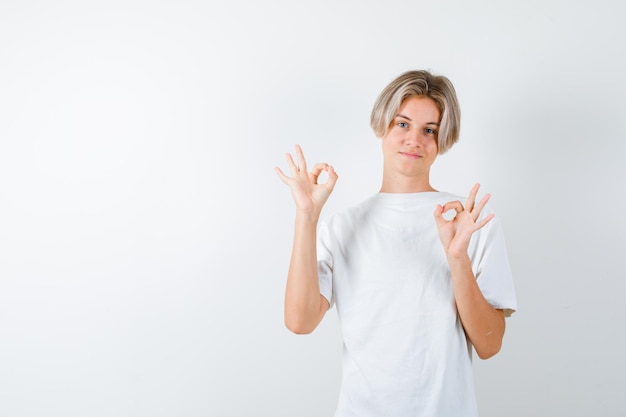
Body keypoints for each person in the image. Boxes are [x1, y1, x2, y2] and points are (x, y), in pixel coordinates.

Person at [275, 70, 517, 417]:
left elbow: (490, 344)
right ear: (383, 127)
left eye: (429, 130)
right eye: (402, 124)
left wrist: (457, 257)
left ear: (441, 139)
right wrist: (307, 216)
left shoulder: (468, 220)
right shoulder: (343, 227)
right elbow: (299, 321)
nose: (414, 139)